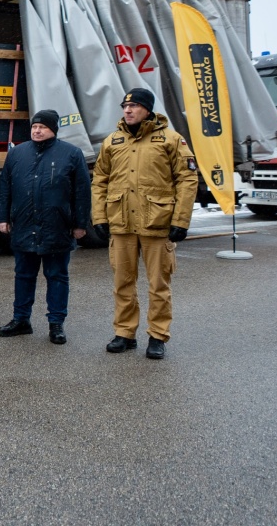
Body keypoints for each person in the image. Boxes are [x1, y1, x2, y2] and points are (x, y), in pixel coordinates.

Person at [91, 87, 198, 360]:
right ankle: (125, 334)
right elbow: (100, 181)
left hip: (157, 223)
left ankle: (157, 336)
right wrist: (100, 217)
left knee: (158, 285)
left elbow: (187, 180)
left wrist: (181, 220)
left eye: (135, 106)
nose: (128, 110)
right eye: (125, 106)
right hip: (122, 223)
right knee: (122, 283)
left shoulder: (171, 140)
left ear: (148, 110)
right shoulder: (112, 142)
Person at [0, 110, 91, 345]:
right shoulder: (17, 153)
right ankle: (21, 319)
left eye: (42, 127)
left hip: (56, 227)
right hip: (24, 225)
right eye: (34, 127)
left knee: (57, 275)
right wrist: (2, 217)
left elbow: (82, 192)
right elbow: (5, 187)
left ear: (54, 129)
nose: (37, 131)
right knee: (23, 275)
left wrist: (80, 223)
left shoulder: (71, 154)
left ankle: (56, 323)